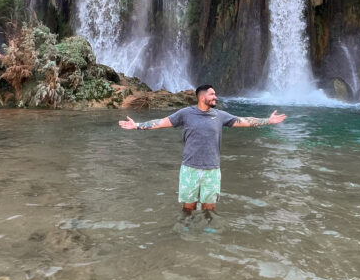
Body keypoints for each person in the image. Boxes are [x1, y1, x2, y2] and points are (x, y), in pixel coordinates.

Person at [119, 84, 286, 221]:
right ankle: (184, 231)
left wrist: (268, 121)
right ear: (201, 97)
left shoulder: (220, 115)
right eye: (212, 94)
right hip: (189, 169)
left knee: (209, 208)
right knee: (188, 207)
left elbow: (244, 121)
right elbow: (161, 122)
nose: (215, 97)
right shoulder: (185, 113)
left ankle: (208, 235)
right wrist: (137, 125)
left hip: (212, 170)